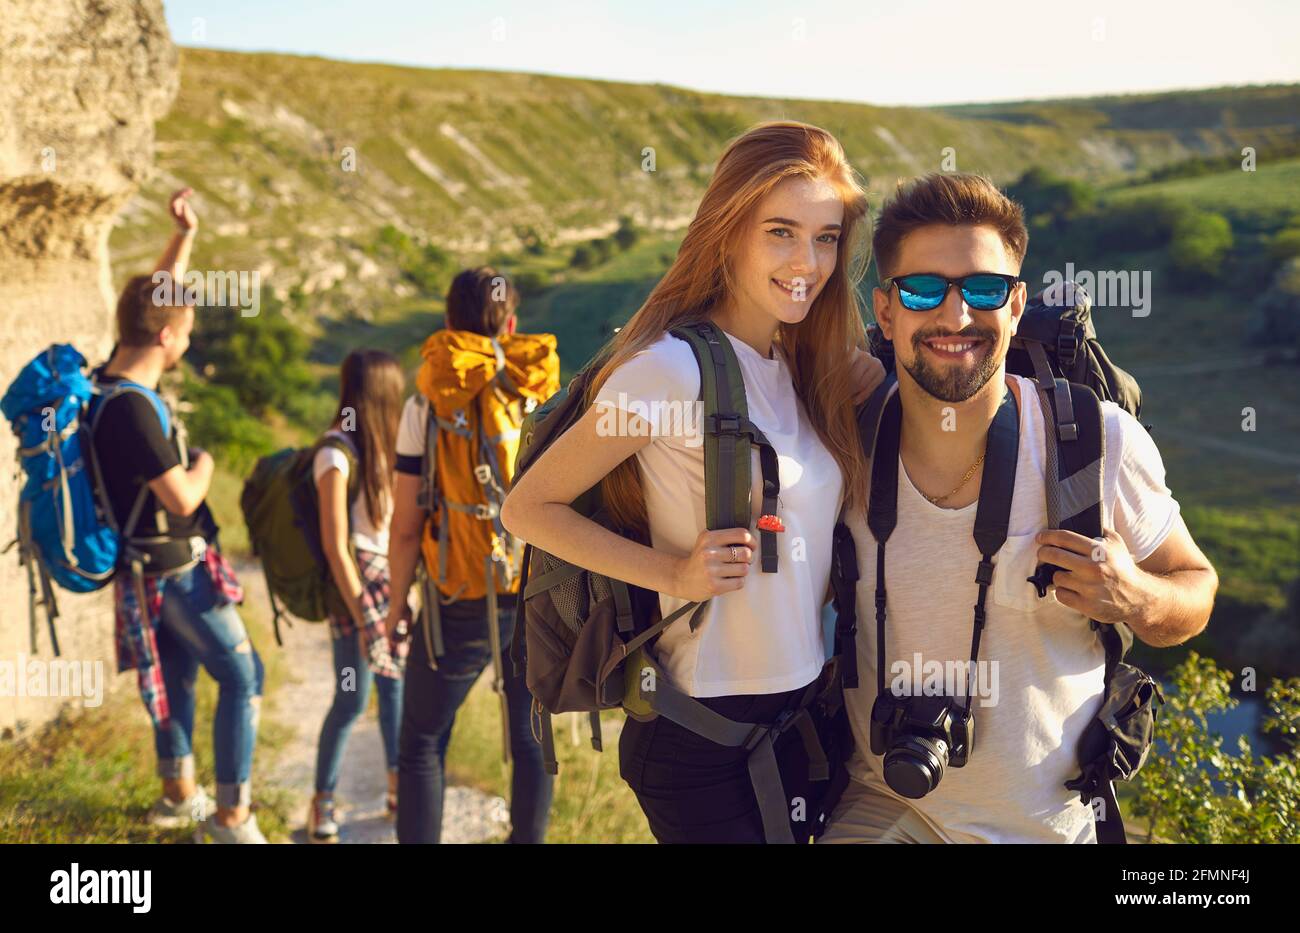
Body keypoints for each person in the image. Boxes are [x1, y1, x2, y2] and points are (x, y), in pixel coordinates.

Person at [500, 121, 885, 843]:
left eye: (826, 237)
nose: (808, 260)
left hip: (801, 717)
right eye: (781, 232)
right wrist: (673, 569)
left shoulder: (797, 361)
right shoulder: (668, 370)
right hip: (703, 736)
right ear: (728, 229)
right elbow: (527, 507)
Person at [820, 172, 1219, 844]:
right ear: (886, 311)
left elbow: (1196, 591)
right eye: (923, 289)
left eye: (983, 288)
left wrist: (1135, 594)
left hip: (1049, 826)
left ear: (1015, 304)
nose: (955, 317)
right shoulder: (839, 439)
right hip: (885, 808)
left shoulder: (1094, 442)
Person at [92, 188, 267, 843]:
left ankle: (178, 796)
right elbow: (183, 499)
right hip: (174, 567)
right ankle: (232, 817)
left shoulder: (108, 379)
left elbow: (155, 299)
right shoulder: (137, 410)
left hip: (142, 567)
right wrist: (207, 461)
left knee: (178, 677)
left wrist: (181, 237)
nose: (188, 339)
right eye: (186, 332)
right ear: (166, 337)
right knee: (244, 675)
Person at [385, 267, 560, 843]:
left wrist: (394, 609)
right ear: (511, 324)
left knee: (423, 742)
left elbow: (407, 524)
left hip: (457, 592)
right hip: (533, 588)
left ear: (447, 325)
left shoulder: (425, 404)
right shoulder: (537, 390)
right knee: (530, 737)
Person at [306, 350, 408, 843]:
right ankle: (321, 802)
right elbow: (335, 546)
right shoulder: (334, 452)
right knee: (351, 697)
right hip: (352, 596)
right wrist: (370, 618)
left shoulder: (387, 451)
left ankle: (397, 790)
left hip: (391, 587)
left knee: (395, 693)